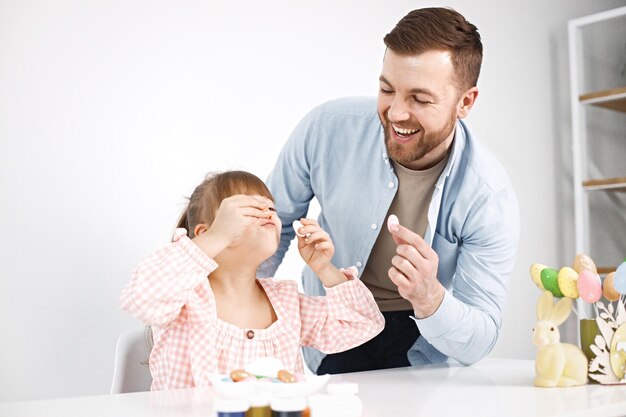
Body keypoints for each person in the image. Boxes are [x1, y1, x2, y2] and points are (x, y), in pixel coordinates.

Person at [259, 7, 520, 374]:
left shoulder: (487, 196)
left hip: (420, 341)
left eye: (420, 99)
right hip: (331, 323)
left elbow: (479, 341)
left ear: (465, 102)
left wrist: (430, 296)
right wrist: (235, 303)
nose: (396, 112)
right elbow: (273, 223)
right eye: (387, 89)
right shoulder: (326, 129)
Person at [120, 171, 384, 390]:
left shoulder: (285, 302)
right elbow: (141, 299)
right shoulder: (183, 296)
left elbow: (362, 324)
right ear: (205, 232)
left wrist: (325, 269)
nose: (268, 213)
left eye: (271, 208)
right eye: (249, 209)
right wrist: (214, 239)